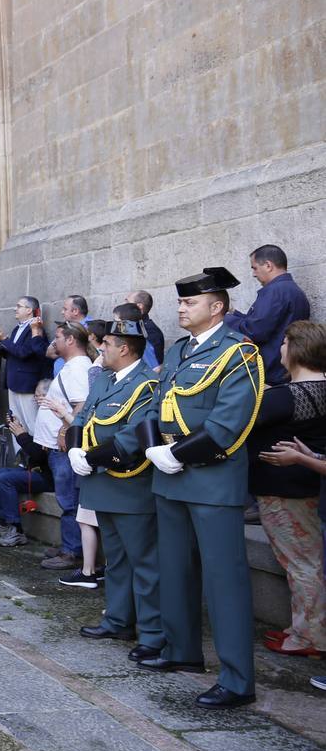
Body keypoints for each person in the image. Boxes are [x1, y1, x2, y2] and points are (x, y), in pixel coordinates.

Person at [139, 267, 263, 708]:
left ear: (217, 307)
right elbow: (156, 405)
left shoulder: (239, 354)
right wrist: (155, 450)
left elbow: (229, 423)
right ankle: (182, 651)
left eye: (189, 303)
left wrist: (177, 455)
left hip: (211, 477)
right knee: (174, 569)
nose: (181, 309)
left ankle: (237, 679)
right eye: (180, 302)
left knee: (223, 580)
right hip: (170, 477)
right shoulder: (177, 352)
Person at [65, 320, 162, 656]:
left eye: (105, 343)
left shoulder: (148, 384)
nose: (100, 348)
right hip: (102, 482)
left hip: (129, 484)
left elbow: (132, 435)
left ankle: (152, 633)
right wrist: (74, 448)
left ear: (124, 348)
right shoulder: (105, 378)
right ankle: (119, 620)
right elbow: (82, 417)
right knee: (117, 559)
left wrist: (90, 457)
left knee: (144, 562)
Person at [247, 320, 326, 658]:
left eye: (283, 344)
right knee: (304, 563)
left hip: (284, 492)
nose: (279, 350)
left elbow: (240, 422)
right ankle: (304, 629)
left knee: (302, 565)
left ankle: (311, 638)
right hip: (306, 489)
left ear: (295, 349)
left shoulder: (283, 397)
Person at [30, 322, 93, 571]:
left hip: (64, 447)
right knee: (66, 498)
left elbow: (80, 405)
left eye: (57, 337)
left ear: (70, 340)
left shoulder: (77, 368)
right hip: (57, 447)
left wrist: (65, 431)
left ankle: (71, 552)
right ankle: (69, 545)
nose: (53, 342)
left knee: (69, 501)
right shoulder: (71, 366)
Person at [225, 244, 311, 385]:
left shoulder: (275, 291)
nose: (253, 274)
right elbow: (266, 323)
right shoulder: (291, 289)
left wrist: (225, 318)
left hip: (273, 371)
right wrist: (234, 313)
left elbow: (255, 330)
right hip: (288, 367)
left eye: (255, 268)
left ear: (268, 265)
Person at [0, 397, 54, 546]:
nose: (37, 399)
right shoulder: (43, 416)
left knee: (5, 478)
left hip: (49, 477)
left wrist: (21, 435)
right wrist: (20, 429)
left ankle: (16, 530)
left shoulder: (54, 419)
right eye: (36, 395)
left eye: (40, 395)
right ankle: (1, 522)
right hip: (37, 470)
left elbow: (39, 455)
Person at [0, 296, 51, 430]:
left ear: (29, 310)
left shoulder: (36, 328)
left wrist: (5, 340)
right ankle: (19, 451)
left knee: (30, 424)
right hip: (14, 382)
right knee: (15, 423)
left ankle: (32, 451)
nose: (15, 309)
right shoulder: (16, 328)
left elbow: (24, 353)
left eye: (19, 306)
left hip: (27, 384)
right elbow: (12, 354)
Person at [126, 290, 165, 367]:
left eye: (127, 303)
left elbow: (154, 367)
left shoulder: (150, 331)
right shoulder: (134, 327)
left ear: (139, 306)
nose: (124, 306)